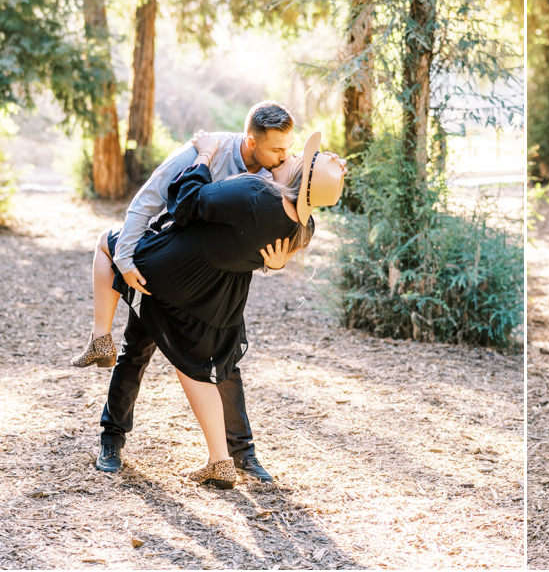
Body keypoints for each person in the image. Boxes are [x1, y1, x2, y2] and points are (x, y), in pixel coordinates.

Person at [73, 130, 345, 487]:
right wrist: (275, 265)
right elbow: (269, 246)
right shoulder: (303, 228)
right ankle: (125, 441)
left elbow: (185, 201)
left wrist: (203, 155)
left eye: (292, 157)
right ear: (253, 140)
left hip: (177, 276)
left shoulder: (254, 189)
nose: (286, 156)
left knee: (108, 249)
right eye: (282, 150)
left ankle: (100, 341)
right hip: (215, 295)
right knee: (179, 358)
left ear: (296, 178)